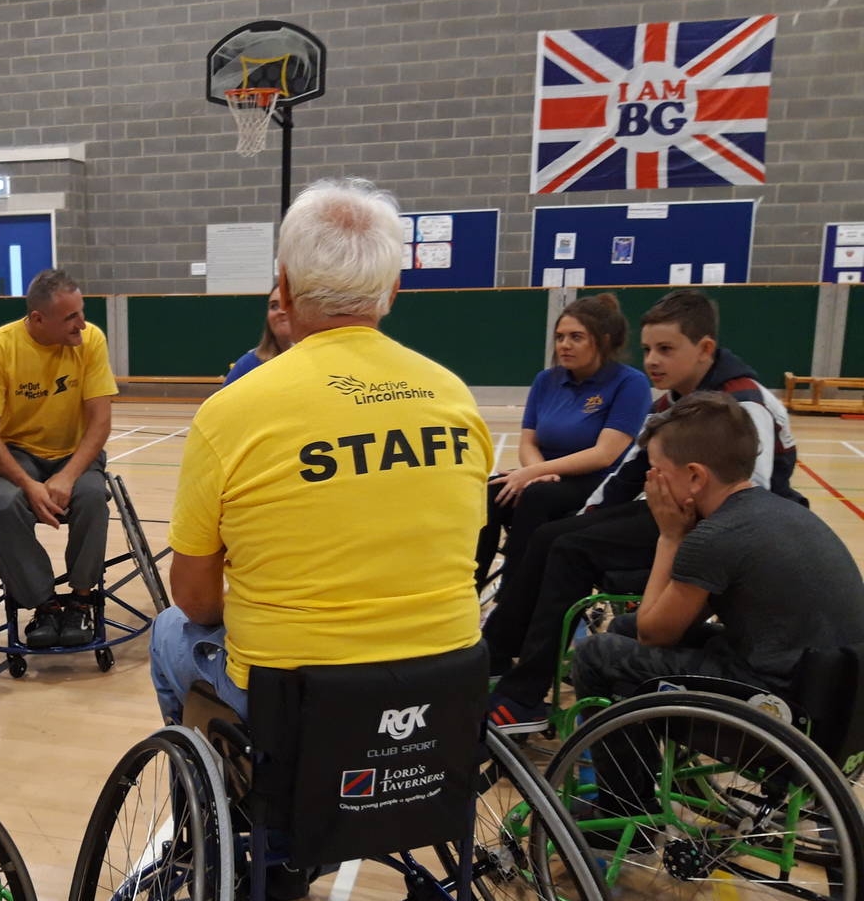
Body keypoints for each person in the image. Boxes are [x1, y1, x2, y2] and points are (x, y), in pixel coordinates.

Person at [150, 177, 493, 724]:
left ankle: (208, 792)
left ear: (283, 289)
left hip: (295, 699)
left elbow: (194, 597)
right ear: (393, 289)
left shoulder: (233, 408)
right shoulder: (454, 394)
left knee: (170, 630)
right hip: (443, 686)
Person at [484, 289, 802, 733]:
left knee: (572, 550)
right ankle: (497, 652)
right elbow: (626, 477)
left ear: (705, 349)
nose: (651, 360)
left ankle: (524, 697)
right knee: (552, 534)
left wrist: (676, 542)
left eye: (666, 349)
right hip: (676, 512)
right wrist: (584, 516)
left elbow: (753, 501)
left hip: (732, 533)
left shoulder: (745, 402)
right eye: (649, 348)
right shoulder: (669, 402)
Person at [570, 393, 864, 822]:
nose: (650, 481)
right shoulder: (779, 509)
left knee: (597, 656)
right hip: (836, 699)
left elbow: (656, 634)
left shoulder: (715, 537)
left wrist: (669, 535)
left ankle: (625, 808)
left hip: (780, 715)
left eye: (656, 471)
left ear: (694, 477)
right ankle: (637, 766)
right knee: (627, 627)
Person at [0, 269, 118, 649]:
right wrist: (28, 484)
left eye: (81, 312)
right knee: (1, 503)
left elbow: (100, 422)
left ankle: (82, 599)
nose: (82, 324)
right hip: (19, 453)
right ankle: (43, 604)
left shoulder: (91, 340)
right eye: (71, 317)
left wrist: (67, 476)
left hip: (76, 452)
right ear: (37, 319)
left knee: (91, 497)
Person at [474, 293, 650, 592]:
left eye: (576, 337)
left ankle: (514, 593)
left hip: (597, 482)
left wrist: (534, 476)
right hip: (546, 476)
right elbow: (528, 442)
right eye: (560, 337)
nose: (564, 345)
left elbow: (604, 454)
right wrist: (538, 471)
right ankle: (470, 589)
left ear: (603, 340)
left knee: (536, 496)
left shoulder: (630, 383)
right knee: (491, 492)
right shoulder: (546, 380)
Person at [223, 283, 292, 385]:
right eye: (274, 306)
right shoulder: (247, 365)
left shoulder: (319, 362)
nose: (281, 311)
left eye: (289, 303)